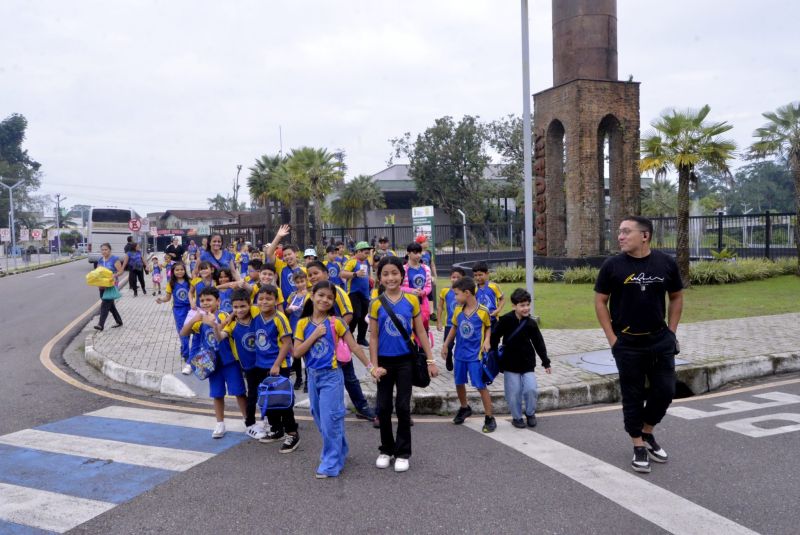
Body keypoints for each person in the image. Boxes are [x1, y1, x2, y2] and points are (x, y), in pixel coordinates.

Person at [594, 215, 683, 474]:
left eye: (626, 232)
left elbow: (676, 297)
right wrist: (612, 339)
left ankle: (647, 432)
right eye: (619, 232)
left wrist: (672, 332)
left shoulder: (665, 263)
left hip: (660, 340)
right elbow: (600, 302)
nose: (620, 236)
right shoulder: (612, 266)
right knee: (632, 396)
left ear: (645, 236)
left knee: (665, 391)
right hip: (628, 344)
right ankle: (638, 445)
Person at [294, 281, 384, 478]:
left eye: (329, 297)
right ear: (312, 296)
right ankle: (340, 449)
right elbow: (297, 352)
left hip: (332, 377)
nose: (325, 300)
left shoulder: (337, 322)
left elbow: (354, 347)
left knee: (330, 420)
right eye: (321, 295)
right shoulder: (302, 324)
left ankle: (331, 462)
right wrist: (315, 335)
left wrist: (371, 368)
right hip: (313, 377)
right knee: (320, 418)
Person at [369, 256, 438, 472]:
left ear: (402, 275)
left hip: (406, 361)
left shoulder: (412, 300)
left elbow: (420, 332)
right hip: (384, 363)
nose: (390, 278)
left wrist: (431, 359)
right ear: (379, 278)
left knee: (402, 406)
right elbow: (373, 337)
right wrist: (373, 366)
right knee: (383, 407)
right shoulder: (376, 303)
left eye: (394, 273)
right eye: (386, 274)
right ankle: (386, 450)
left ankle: (403, 452)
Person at [306, 261, 376, 423]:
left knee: (349, 376)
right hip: (316, 346)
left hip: (337, 345)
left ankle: (362, 407)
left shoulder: (336, 291)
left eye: (316, 273)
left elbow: (348, 314)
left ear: (326, 273)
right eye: (309, 275)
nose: (312, 277)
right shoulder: (311, 295)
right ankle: (323, 410)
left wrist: (336, 335)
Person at [180, 286, 247, 438]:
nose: (205, 303)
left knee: (239, 392)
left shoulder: (224, 315)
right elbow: (183, 333)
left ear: (218, 301)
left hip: (229, 361)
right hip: (211, 363)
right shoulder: (200, 319)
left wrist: (213, 323)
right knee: (217, 394)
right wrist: (193, 321)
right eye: (202, 300)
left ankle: (247, 420)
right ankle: (220, 423)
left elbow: (223, 331)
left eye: (208, 300)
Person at [441, 277, 496, 433]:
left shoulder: (483, 311)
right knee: (459, 382)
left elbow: (488, 327)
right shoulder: (458, 310)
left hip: (475, 356)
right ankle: (464, 408)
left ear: (467, 293)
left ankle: (489, 417)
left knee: (480, 385)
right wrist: (446, 345)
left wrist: (487, 340)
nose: (455, 297)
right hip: (460, 354)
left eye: (456, 294)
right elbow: (453, 328)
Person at [490, 288, 551, 429]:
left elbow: (539, 343)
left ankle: (530, 413)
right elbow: (495, 336)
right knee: (514, 393)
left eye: (527, 305)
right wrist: (492, 353)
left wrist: (546, 362)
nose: (526, 308)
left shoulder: (531, 323)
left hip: (527, 363)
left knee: (531, 389)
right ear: (514, 306)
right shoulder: (506, 320)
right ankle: (517, 418)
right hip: (510, 363)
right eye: (522, 305)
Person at [251, 285, 300, 453]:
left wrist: (277, 364)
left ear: (276, 301)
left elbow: (287, 342)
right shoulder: (256, 317)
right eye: (261, 298)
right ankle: (277, 429)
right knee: (268, 400)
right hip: (261, 365)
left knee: (282, 401)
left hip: (279, 366)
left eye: (269, 298)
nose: (264, 302)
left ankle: (292, 433)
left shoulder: (280, 318)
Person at [221, 288, 267, 440]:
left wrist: (233, 313)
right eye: (235, 307)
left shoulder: (255, 315)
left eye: (242, 306)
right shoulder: (232, 325)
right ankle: (250, 424)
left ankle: (267, 419)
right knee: (252, 395)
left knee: (266, 393)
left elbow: (253, 304)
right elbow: (220, 336)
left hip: (264, 362)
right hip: (248, 366)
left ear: (249, 305)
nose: (239, 310)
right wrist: (217, 325)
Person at [156, 261, 193, 374]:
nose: (179, 272)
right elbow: (167, 297)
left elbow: (194, 294)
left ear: (184, 270)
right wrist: (161, 300)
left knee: (192, 330)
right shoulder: (171, 283)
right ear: (173, 272)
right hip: (178, 310)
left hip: (191, 309)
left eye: (181, 269)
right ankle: (186, 354)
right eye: (177, 270)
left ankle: (183, 348)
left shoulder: (190, 281)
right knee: (183, 332)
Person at [341, 241, 372, 346]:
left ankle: (361, 338)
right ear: (358, 251)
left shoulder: (366, 262)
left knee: (364, 316)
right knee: (355, 315)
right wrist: (355, 274)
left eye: (368, 253)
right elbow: (342, 273)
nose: (367, 255)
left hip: (365, 294)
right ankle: (349, 335)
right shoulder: (352, 261)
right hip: (353, 293)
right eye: (365, 252)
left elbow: (367, 274)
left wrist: (370, 279)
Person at [264, 225, 307, 296]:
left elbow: (309, 288)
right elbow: (269, 253)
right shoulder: (281, 266)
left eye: (289, 254)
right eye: (285, 255)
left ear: (296, 254)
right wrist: (278, 236)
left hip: (300, 304)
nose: (287, 257)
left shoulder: (305, 270)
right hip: (284, 305)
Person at [437, 267, 465, 371]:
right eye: (453, 277)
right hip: (449, 324)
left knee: (461, 345)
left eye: (458, 277)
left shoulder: (465, 292)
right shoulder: (445, 291)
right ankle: (448, 358)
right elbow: (440, 307)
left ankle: (459, 362)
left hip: (462, 324)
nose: (455, 279)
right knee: (448, 344)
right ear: (450, 278)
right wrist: (439, 321)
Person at [285, 271, 310, 391]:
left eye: (302, 281)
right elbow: (286, 310)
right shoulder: (292, 295)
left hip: (306, 327)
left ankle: (308, 380)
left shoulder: (310, 295)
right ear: (294, 283)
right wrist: (289, 309)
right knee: (296, 355)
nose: (300, 284)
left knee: (306, 354)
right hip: (294, 326)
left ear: (306, 281)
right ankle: (298, 378)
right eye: (297, 282)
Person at [402, 242, 432, 332]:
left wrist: (424, 292)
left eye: (420, 252)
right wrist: (411, 291)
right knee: (409, 330)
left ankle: (423, 346)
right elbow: (398, 287)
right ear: (408, 253)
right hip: (407, 302)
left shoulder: (426, 268)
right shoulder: (403, 269)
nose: (418, 255)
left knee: (423, 329)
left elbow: (428, 286)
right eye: (415, 252)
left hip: (422, 303)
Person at [94, 243, 124, 331]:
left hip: (111, 285)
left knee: (105, 304)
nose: (104, 251)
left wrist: (113, 276)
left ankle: (100, 324)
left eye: (106, 249)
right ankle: (119, 321)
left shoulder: (114, 259)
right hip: (102, 285)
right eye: (102, 250)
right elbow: (97, 272)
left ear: (110, 250)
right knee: (110, 305)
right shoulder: (100, 260)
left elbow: (120, 271)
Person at [472, 261, 505, 328]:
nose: (478, 278)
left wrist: (498, 310)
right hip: (479, 320)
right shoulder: (473, 289)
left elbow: (502, 299)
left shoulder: (494, 286)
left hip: (493, 319)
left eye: (480, 275)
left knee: (494, 338)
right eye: (475, 275)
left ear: (487, 274)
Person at [417, 235, 438, 318]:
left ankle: (431, 312)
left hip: (428, 277)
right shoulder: (417, 253)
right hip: (419, 277)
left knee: (430, 294)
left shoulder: (429, 253)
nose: (427, 243)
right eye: (425, 241)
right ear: (420, 243)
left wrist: (435, 275)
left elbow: (432, 264)